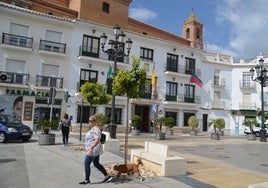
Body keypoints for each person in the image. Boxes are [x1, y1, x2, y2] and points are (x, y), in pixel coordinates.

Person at [79, 115, 112, 185]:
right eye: (89, 121)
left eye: (91, 121)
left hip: (93, 150)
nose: (89, 122)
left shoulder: (96, 129)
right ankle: (107, 176)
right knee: (96, 163)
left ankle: (87, 180)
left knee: (86, 163)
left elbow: (97, 139)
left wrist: (91, 147)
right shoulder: (93, 128)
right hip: (94, 149)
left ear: (94, 121)